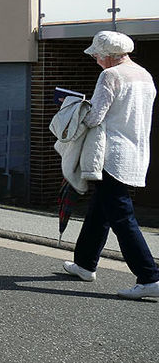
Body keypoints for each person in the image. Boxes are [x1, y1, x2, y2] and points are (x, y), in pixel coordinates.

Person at [62, 31, 159, 300]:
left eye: (96, 55)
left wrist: (72, 107)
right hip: (136, 152)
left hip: (110, 154)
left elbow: (95, 117)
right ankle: (84, 264)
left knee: (121, 216)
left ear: (107, 55)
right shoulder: (144, 75)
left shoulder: (110, 75)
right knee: (100, 210)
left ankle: (149, 276)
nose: (95, 60)